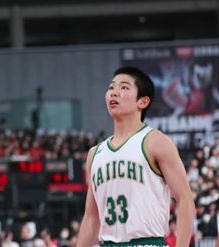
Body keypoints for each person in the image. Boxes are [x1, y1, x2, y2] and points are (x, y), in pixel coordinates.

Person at [77, 67, 194, 247]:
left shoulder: (156, 141)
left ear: (143, 101)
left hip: (147, 242)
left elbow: (185, 200)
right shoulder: (95, 153)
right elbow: (92, 218)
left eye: (124, 87)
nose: (114, 92)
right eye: (111, 87)